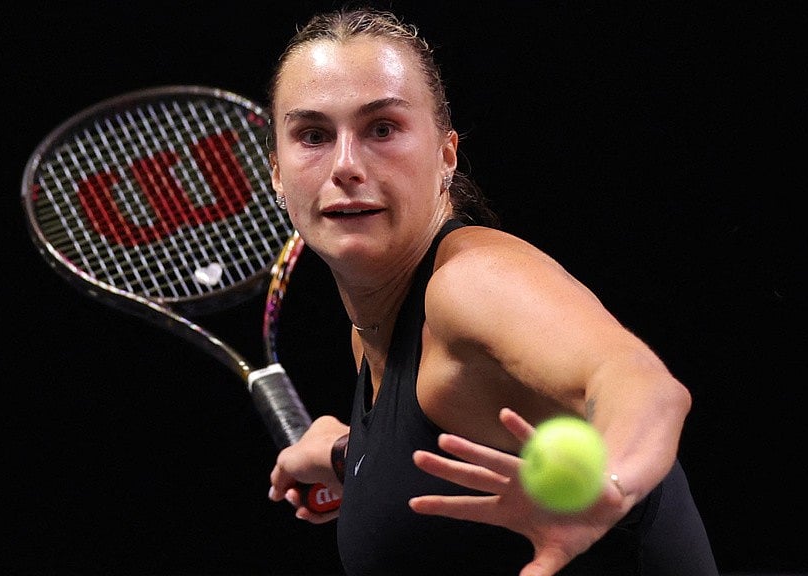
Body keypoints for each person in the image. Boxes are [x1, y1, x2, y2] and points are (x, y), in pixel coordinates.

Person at [264, 7, 718, 575]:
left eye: (382, 129)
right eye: (313, 136)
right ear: (277, 173)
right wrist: (349, 454)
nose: (346, 164)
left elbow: (643, 385)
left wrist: (611, 482)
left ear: (446, 155)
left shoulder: (470, 283)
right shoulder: (374, 333)